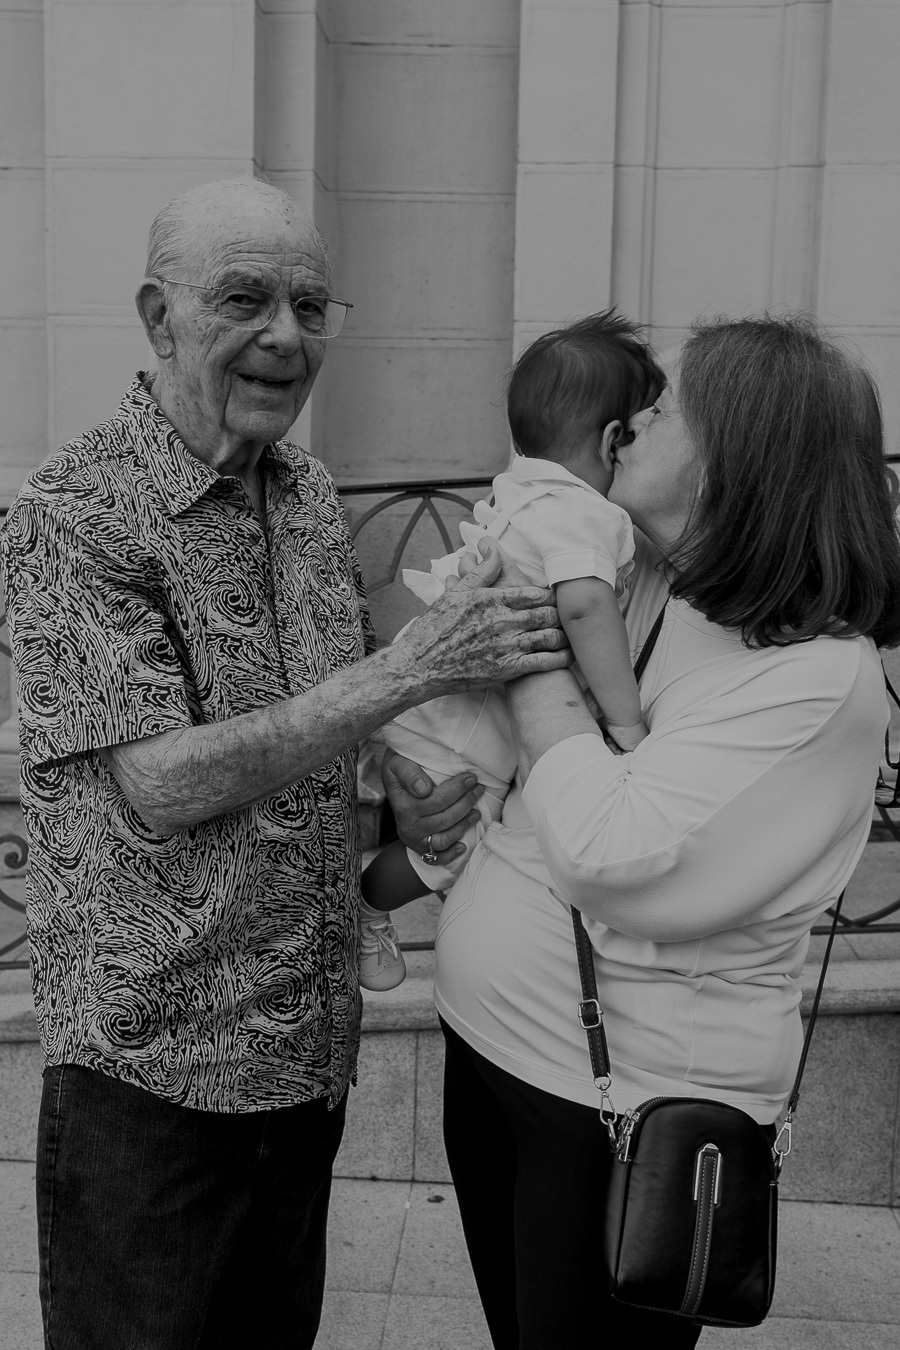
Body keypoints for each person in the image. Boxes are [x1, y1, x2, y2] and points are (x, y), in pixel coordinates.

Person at [0, 177, 568, 1350]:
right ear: (159, 319)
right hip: (153, 1078)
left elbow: (323, 685)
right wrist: (408, 672)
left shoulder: (304, 489)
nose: (286, 336)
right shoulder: (73, 513)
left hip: (305, 1062)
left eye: (311, 307)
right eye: (244, 300)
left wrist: (392, 774)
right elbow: (160, 781)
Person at [382, 314, 900, 1349]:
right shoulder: (654, 578)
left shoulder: (816, 681)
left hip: (621, 1110)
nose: (630, 423)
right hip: (497, 1052)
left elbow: (611, 852)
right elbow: (525, 763)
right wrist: (427, 787)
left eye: (663, 409)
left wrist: (523, 647)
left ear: (735, 460)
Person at [357, 311, 665, 991]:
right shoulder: (585, 512)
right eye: (645, 430)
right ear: (612, 440)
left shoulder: (525, 492)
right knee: (452, 845)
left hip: (438, 708)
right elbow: (584, 609)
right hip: (460, 729)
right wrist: (627, 722)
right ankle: (363, 908)